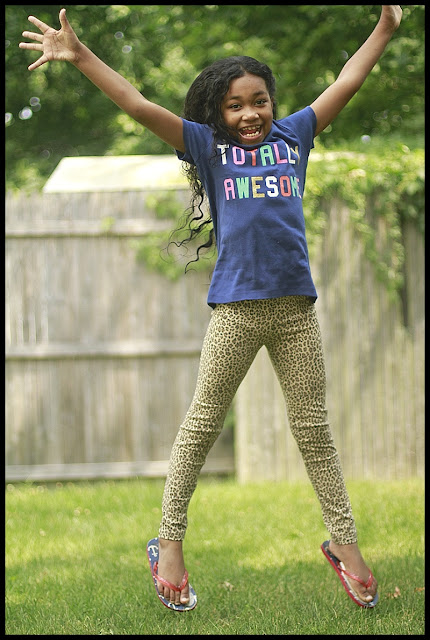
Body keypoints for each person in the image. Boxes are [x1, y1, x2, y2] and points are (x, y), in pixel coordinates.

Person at [20, 5, 402, 612]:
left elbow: (347, 80)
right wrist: (80, 53)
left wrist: (385, 28)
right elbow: (137, 105)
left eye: (259, 101)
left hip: (296, 311)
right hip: (236, 312)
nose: (249, 113)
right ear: (218, 114)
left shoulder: (294, 137)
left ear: (273, 103)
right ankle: (168, 544)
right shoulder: (207, 147)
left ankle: (344, 543)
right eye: (234, 105)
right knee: (201, 426)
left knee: (314, 432)